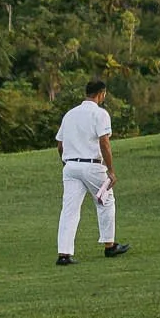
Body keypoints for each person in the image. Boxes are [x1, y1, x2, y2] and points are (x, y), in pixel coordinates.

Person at [55, 78, 129, 265]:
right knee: (106, 201)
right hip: (92, 166)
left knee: (69, 210)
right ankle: (109, 245)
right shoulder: (100, 114)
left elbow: (60, 145)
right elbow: (104, 143)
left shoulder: (70, 114)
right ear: (101, 94)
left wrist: (66, 163)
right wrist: (111, 170)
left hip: (70, 166)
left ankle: (64, 254)